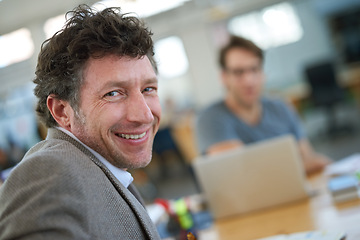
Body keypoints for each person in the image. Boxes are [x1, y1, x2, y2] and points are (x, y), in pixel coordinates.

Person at [0, 5, 162, 239]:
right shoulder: (49, 173)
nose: (145, 115)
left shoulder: (96, 166)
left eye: (148, 89)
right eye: (113, 93)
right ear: (62, 111)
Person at [195, 35, 330, 175]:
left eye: (254, 69)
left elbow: (308, 157)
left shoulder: (280, 107)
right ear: (224, 77)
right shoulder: (210, 118)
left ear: (263, 73)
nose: (249, 81)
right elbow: (238, 174)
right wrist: (298, 166)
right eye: (238, 72)